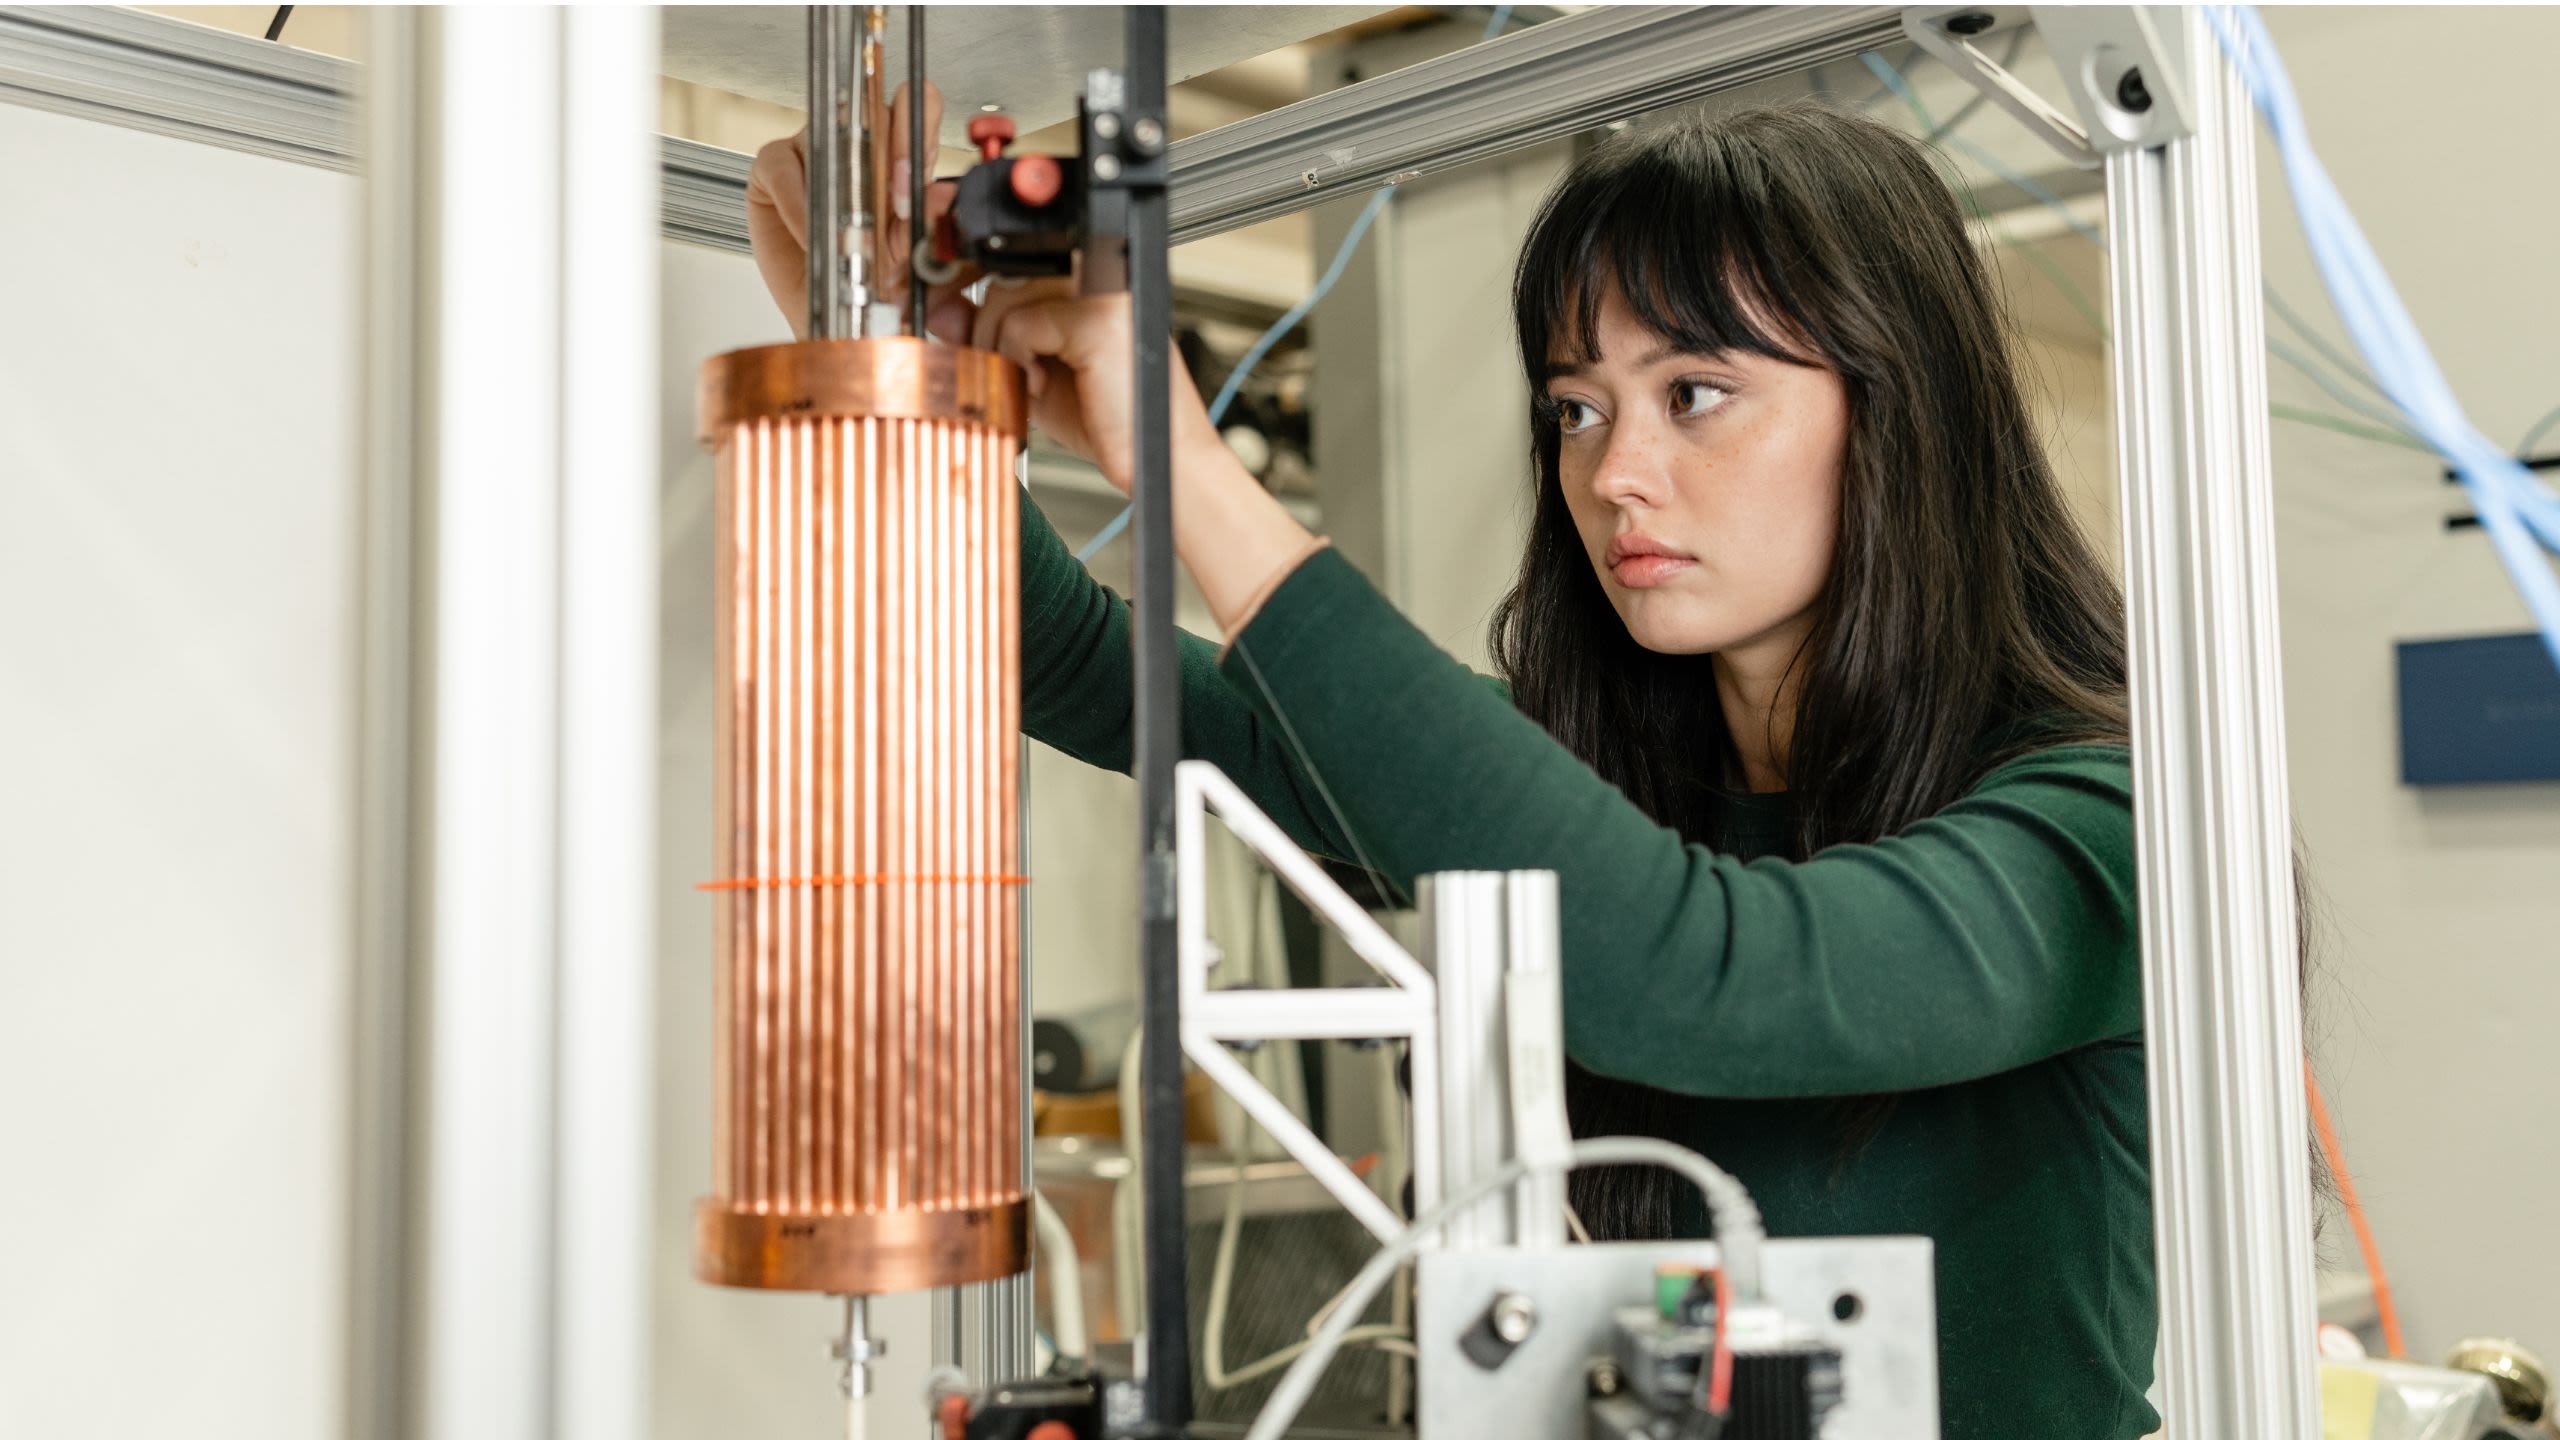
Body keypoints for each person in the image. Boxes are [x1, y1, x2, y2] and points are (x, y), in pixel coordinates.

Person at [748, 93, 2154, 1440]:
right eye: (1579, 408)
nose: (1616, 474)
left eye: (1698, 390)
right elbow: (1071, 666)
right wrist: (886, 377)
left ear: (1902, 409)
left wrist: (1185, 469)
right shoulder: (1582, 790)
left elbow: (1710, 980)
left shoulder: (2104, 817)